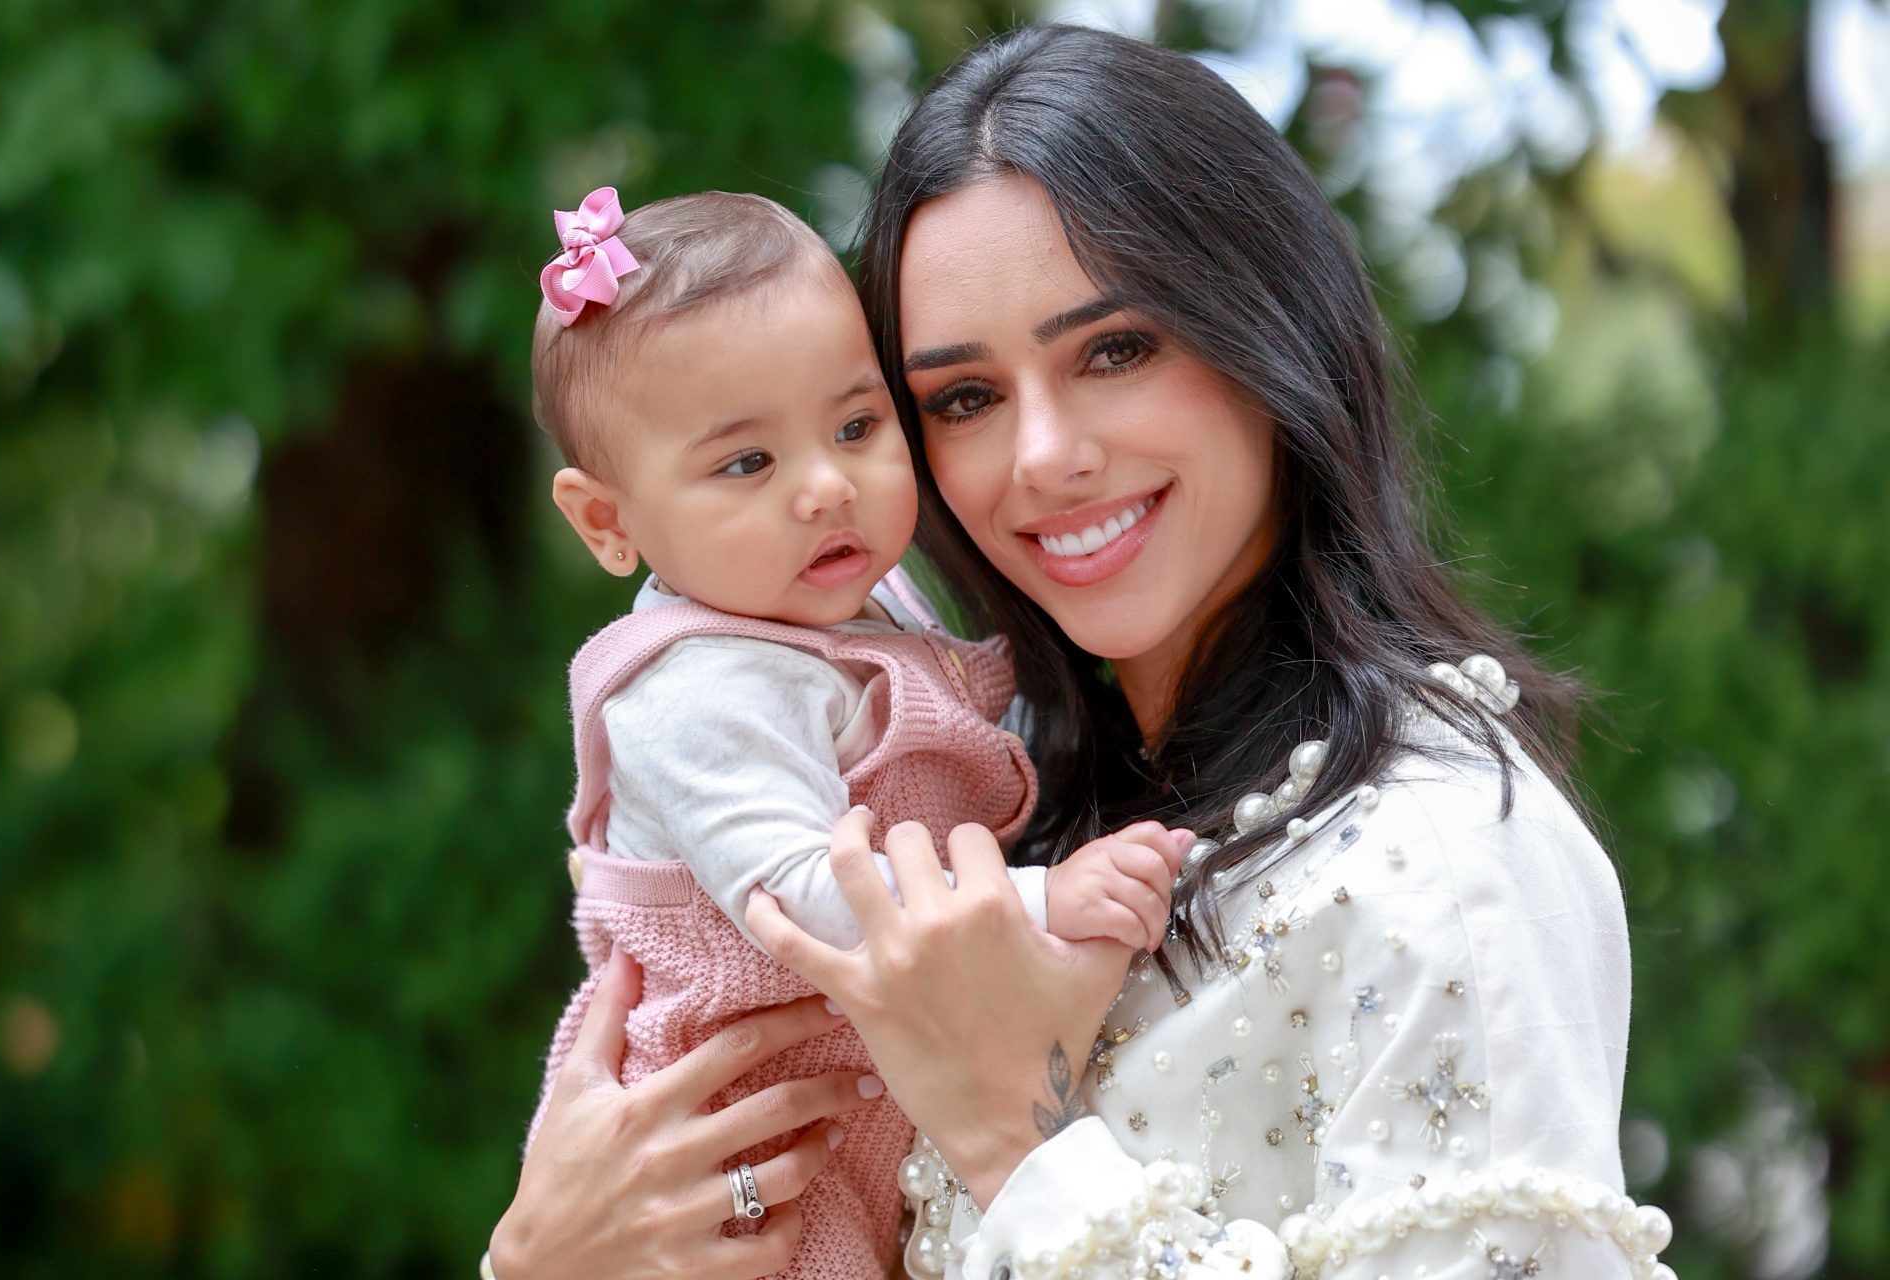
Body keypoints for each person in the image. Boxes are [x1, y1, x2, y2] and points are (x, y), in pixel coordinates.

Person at [491, 24, 1679, 1280]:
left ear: (1273, 329)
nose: (1043, 453)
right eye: (964, 397)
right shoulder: (1009, 823)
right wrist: (538, 1258)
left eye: (1115, 350)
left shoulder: (1437, 857)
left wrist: (1020, 1138)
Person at [515, 186, 1190, 1279]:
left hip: (867, 1087)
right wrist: (1041, 901)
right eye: (747, 463)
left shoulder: (859, 601)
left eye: (856, 425)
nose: (827, 485)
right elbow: (801, 893)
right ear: (609, 521)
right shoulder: (694, 689)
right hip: (744, 1139)